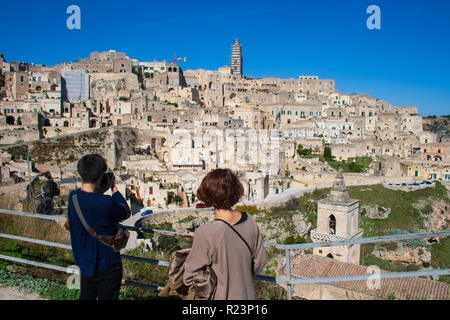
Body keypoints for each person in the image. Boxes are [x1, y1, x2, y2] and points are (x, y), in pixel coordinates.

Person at [183, 168, 266, 300]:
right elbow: (259, 263)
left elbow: (189, 277)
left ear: (206, 195)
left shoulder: (205, 233)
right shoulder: (250, 221)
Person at [67, 154, 131, 300]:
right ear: (102, 175)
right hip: (107, 265)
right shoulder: (106, 203)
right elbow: (125, 212)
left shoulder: (73, 197)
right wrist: (114, 188)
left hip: (84, 262)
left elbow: (90, 201)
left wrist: (100, 187)